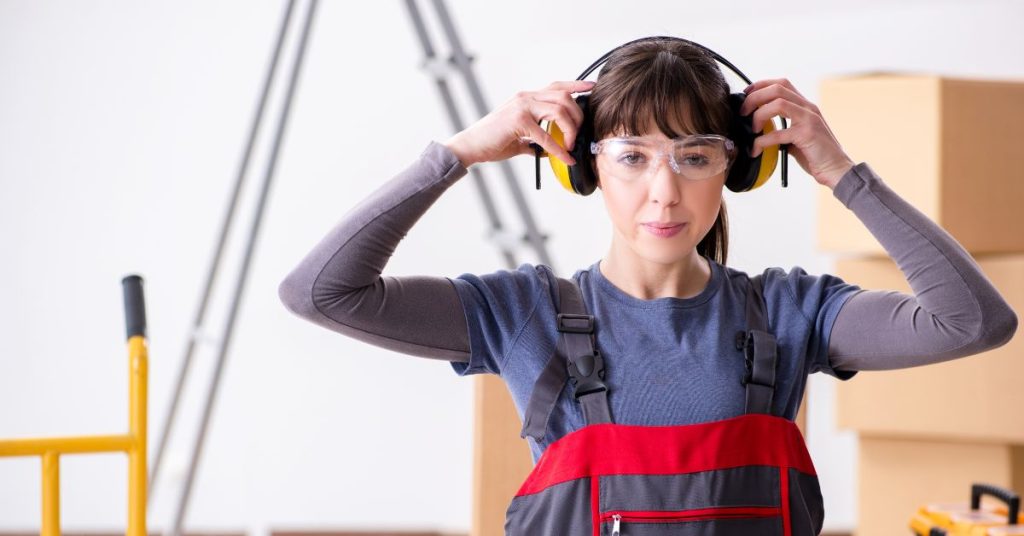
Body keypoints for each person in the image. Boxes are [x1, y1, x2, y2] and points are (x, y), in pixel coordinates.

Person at [278, 37, 1017, 535]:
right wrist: (461, 153)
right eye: (632, 157)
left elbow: (972, 322)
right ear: (583, 165)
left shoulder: (793, 314)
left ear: (738, 167)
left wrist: (842, 173)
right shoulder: (519, 315)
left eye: (695, 156)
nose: (663, 194)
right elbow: (321, 292)